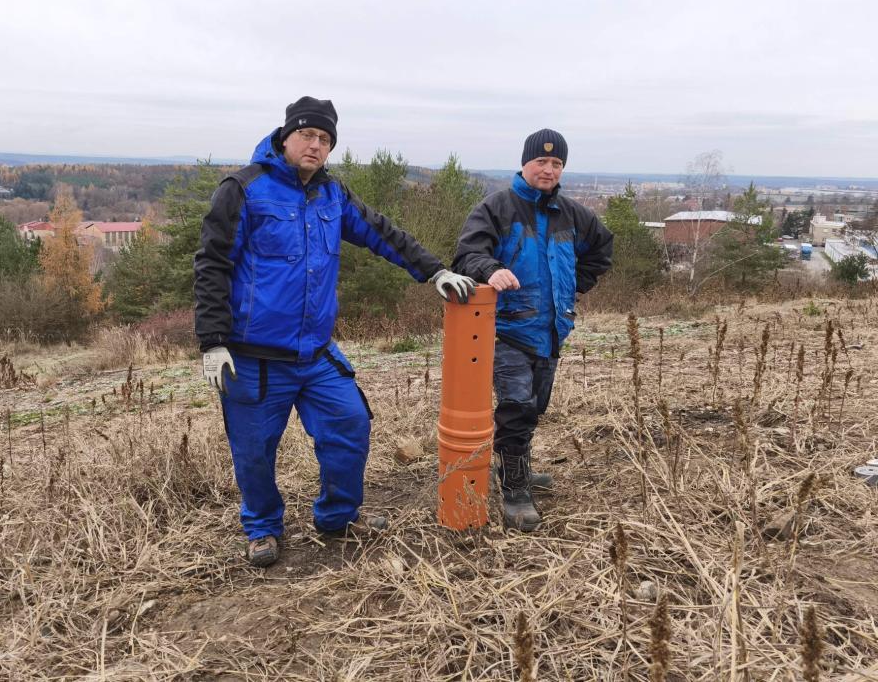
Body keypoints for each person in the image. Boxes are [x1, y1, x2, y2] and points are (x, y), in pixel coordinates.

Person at [194, 96, 476, 567]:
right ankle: (263, 527)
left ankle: (338, 516)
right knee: (255, 452)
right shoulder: (244, 190)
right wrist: (213, 340)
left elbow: (383, 233)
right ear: (286, 137)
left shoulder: (332, 195)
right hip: (254, 358)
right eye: (307, 134)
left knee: (350, 425)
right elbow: (212, 264)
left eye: (325, 139)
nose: (315, 145)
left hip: (316, 354)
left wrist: (435, 272)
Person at [453, 129, 612, 531]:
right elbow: (467, 254)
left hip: (553, 330)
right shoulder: (497, 208)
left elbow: (602, 249)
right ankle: (516, 491)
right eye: (541, 161)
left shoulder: (573, 214)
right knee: (517, 408)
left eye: (557, 163)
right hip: (507, 330)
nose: (549, 169)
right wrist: (491, 270)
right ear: (525, 163)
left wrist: (575, 285)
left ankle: (512, 464)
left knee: (534, 408)